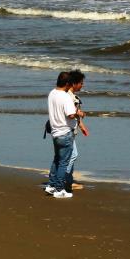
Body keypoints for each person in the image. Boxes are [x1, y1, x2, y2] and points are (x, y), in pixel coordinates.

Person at [45, 70, 86, 199]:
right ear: (68, 83)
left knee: (57, 159)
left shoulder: (52, 93)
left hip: (55, 132)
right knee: (63, 162)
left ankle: (51, 186)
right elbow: (70, 114)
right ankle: (59, 189)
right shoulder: (65, 97)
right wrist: (79, 113)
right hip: (65, 132)